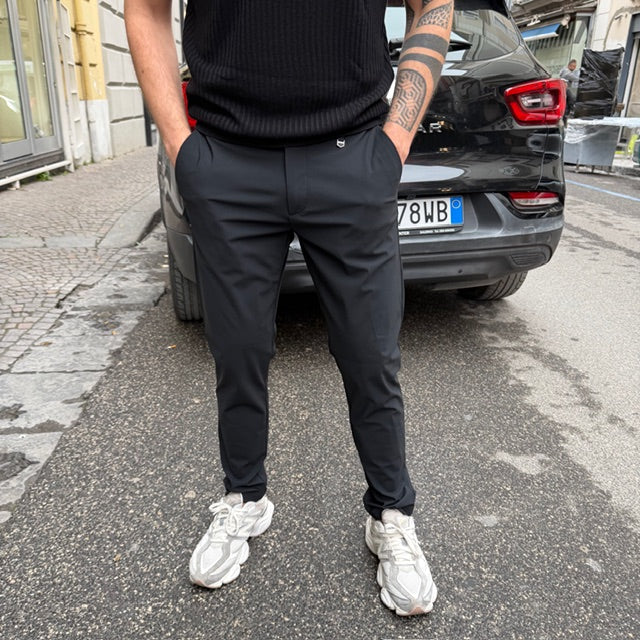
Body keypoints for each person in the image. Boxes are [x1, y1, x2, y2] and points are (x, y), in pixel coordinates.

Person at [125, 0, 452, 616]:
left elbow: (432, 4)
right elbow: (145, 8)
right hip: (226, 161)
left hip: (353, 156)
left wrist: (395, 141)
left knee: (370, 352)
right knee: (238, 350)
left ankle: (391, 513)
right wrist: (180, 147)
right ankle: (244, 498)